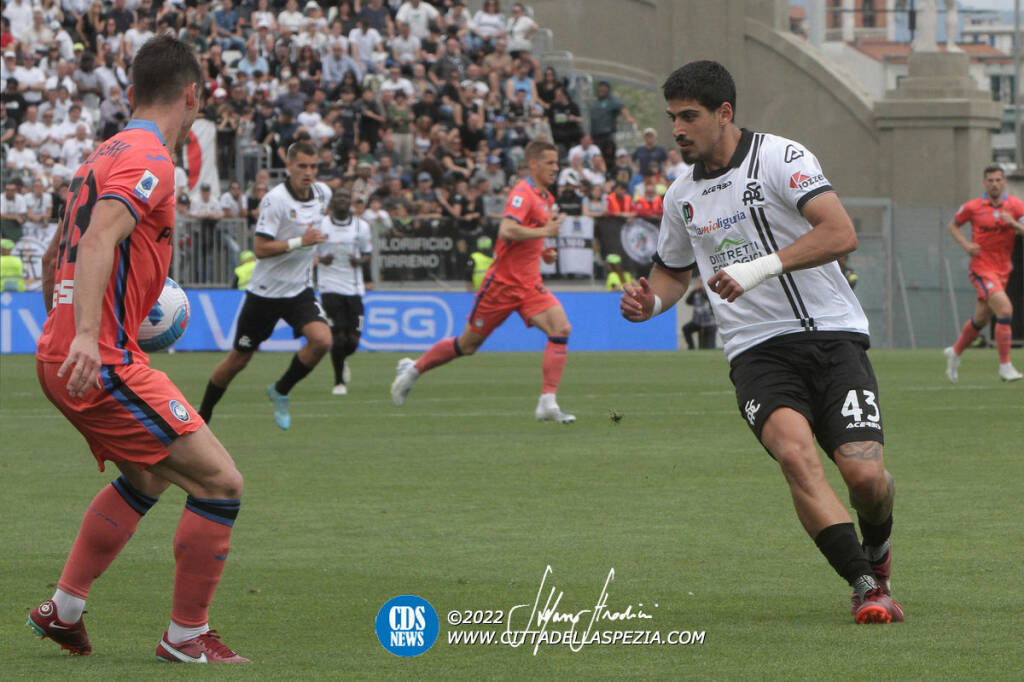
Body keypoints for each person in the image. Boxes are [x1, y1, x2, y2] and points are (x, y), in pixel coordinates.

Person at [620, 60, 902, 624]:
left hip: (833, 335)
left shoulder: (782, 157)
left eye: (689, 116)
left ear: (724, 114)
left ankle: (878, 553)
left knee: (866, 478)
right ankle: (867, 586)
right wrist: (647, 302)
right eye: (672, 117)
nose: (677, 129)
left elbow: (839, 233)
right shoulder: (680, 196)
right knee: (797, 459)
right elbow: (672, 272)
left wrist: (757, 269)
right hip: (756, 350)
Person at [30, 35, 248, 664]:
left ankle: (64, 610)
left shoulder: (100, 153)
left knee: (148, 478)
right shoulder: (152, 156)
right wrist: (92, 339)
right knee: (220, 482)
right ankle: (185, 637)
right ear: (192, 95)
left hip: (68, 352)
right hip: (105, 360)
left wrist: (65, 326)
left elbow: (55, 255)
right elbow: (100, 238)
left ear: (130, 93)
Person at [391, 140, 575, 423]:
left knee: (560, 327)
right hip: (501, 285)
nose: (556, 167)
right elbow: (508, 229)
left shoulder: (546, 198)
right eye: (550, 162)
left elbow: (530, 236)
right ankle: (413, 369)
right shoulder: (522, 194)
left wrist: (544, 250)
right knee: (466, 345)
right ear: (534, 164)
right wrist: (545, 232)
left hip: (529, 285)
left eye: (556, 162)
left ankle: (547, 402)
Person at [197, 140, 332, 430]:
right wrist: (301, 243)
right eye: (302, 166)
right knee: (238, 360)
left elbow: (316, 228)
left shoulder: (323, 193)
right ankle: (202, 415)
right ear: (289, 166)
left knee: (322, 340)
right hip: (265, 294)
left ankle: (281, 390)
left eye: (313, 166)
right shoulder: (275, 200)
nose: (308, 172)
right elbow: (260, 248)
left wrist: (318, 247)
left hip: (299, 290)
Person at [943, 165, 1024, 383]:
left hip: (1003, 270)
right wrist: (966, 245)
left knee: (981, 318)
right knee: (1005, 309)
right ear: (984, 183)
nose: (994, 184)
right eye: (990, 180)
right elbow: (953, 226)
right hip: (981, 268)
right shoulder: (973, 207)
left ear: (1004, 182)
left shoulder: (1015, 206)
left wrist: (1013, 223)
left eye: (998, 180)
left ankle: (956, 351)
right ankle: (1005, 366)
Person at [317, 188, 372, 396]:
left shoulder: (362, 226)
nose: (342, 200)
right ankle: (339, 382)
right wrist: (322, 260)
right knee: (338, 338)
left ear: (350, 202)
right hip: (329, 287)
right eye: (338, 197)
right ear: (332, 202)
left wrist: (360, 261)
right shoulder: (321, 224)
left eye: (345, 197)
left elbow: (368, 254)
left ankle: (342, 360)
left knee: (353, 341)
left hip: (354, 288)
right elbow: (310, 253)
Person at [681, 278, 716, 350]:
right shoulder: (695, 293)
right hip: (697, 321)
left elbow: (710, 302)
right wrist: (694, 290)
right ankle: (691, 348)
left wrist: (703, 291)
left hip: (709, 322)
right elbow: (688, 301)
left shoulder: (709, 292)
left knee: (707, 347)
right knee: (686, 329)